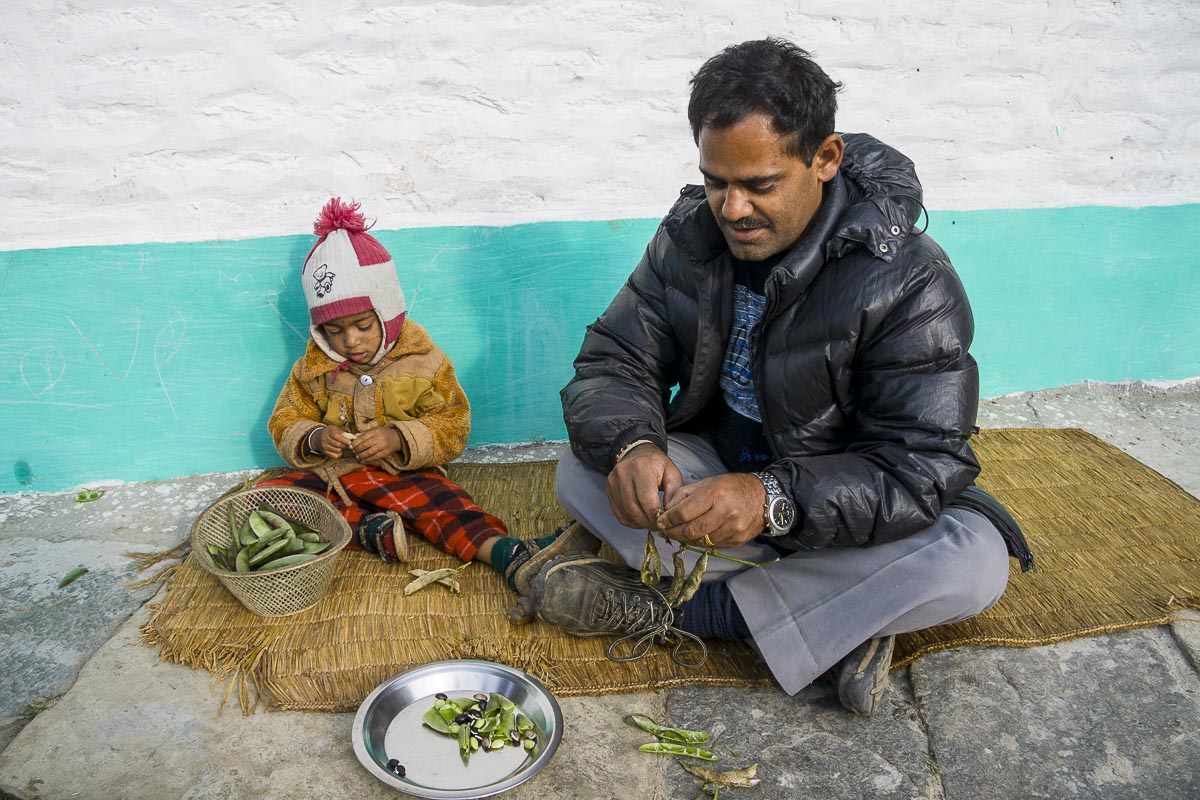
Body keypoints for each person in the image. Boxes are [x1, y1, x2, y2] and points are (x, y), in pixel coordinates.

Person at [517, 38, 1032, 716]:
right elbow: (616, 358)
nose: (732, 210)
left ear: (824, 159)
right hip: (714, 464)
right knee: (580, 473)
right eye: (715, 181)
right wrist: (633, 448)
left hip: (834, 494)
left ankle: (695, 612)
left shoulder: (910, 278)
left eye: (759, 185)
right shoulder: (690, 238)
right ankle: (843, 617)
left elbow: (919, 466)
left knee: (972, 562)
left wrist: (770, 500)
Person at [260, 197, 592, 588]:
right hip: (335, 478)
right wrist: (315, 437)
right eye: (333, 331)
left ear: (387, 310)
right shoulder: (313, 368)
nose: (350, 342)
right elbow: (285, 419)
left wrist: (397, 437)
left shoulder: (425, 362)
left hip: (405, 477)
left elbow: (453, 425)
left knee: (446, 508)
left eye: (363, 326)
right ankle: (370, 530)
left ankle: (509, 555)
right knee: (270, 496)